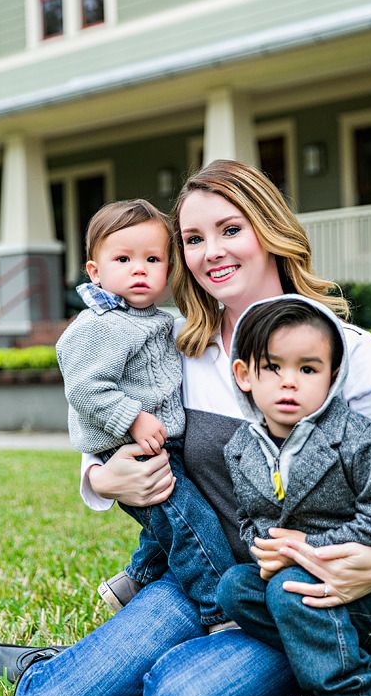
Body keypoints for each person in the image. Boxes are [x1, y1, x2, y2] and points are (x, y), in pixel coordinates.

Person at [0, 160, 371, 696]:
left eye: (230, 229)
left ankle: (326, 652)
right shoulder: (176, 349)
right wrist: (101, 476)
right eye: (193, 239)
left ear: (269, 231)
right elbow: (110, 416)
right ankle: (72, 663)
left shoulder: (345, 351)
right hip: (204, 580)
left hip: (307, 592)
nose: (211, 250)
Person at [217, 294, 371, 696]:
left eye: (308, 370)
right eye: (274, 368)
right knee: (234, 587)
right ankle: (351, 657)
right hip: (299, 588)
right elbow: (249, 519)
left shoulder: (355, 438)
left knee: (287, 589)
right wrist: (262, 549)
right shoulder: (241, 449)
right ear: (245, 375)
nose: (290, 382)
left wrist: (309, 548)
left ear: (332, 378)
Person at [55, 198, 236, 629]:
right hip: (137, 449)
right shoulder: (99, 325)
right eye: (123, 258)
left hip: (160, 445)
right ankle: (221, 611)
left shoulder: (156, 320)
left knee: (168, 529)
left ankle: (134, 581)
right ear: (95, 271)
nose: (140, 269)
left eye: (152, 259)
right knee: (191, 526)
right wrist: (132, 419)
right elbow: (84, 387)